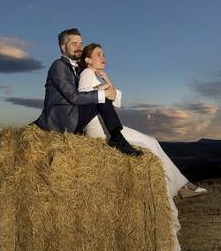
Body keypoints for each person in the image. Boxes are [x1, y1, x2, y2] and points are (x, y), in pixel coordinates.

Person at [77, 43, 208, 251]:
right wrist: (104, 88)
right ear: (88, 60)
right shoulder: (85, 74)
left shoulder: (96, 75)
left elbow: (115, 99)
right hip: (101, 131)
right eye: (98, 54)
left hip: (108, 127)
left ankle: (182, 186)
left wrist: (107, 80)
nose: (103, 56)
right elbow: (89, 98)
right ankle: (183, 186)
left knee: (153, 155)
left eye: (104, 53)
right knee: (153, 143)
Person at [33, 28, 141, 157]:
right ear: (63, 47)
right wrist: (103, 93)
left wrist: (103, 86)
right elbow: (74, 97)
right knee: (101, 97)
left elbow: (85, 91)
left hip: (73, 114)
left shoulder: (78, 69)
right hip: (62, 121)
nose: (79, 47)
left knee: (100, 96)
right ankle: (117, 139)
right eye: (74, 44)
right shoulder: (59, 66)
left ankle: (117, 138)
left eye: (80, 44)